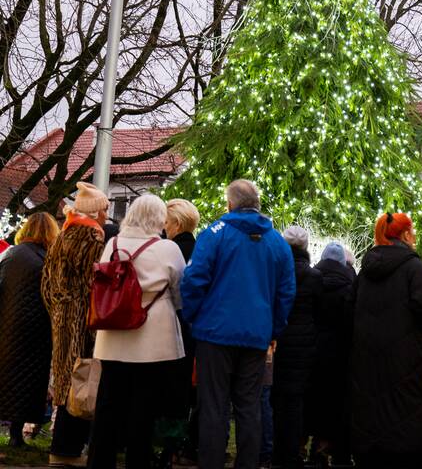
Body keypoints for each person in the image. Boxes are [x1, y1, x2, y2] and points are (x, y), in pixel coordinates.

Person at [181, 179, 296, 469]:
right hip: (256, 335)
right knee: (250, 407)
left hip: (215, 334)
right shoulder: (278, 243)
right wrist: (274, 330)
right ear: (257, 204)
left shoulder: (214, 234)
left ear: (230, 204)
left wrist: (194, 318)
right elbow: (286, 292)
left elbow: (193, 281)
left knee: (214, 407)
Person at [86, 195, 186, 469]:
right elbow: (181, 293)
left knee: (108, 404)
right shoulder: (168, 248)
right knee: (144, 407)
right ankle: (137, 461)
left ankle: (99, 461)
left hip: (114, 334)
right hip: (152, 338)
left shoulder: (113, 244)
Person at [348, 212, 422, 467]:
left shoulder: (365, 271)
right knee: (405, 414)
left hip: (366, 359)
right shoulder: (414, 268)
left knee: (371, 412)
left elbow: (350, 308)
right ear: (405, 234)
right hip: (405, 359)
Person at [42, 182, 109, 466]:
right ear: (96, 211)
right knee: (80, 379)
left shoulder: (64, 233)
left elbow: (46, 281)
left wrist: (57, 308)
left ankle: (61, 447)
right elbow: (92, 284)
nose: (107, 213)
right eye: (105, 208)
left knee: (65, 376)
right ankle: (67, 450)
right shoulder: (92, 237)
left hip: (61, 315)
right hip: (81, 318)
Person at [0, 213, 57, 446]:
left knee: (5, 377)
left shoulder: (10, 254)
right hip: (36, 330)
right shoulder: (48, 259)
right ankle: (16, 435)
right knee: (27, 383)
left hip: (6, 327)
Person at [271, 225, 322, 469]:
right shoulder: (314, 277)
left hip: (278, 341)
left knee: (275, 399)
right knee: (295, 401)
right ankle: (291, 453)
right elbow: (319, 313)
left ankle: (275, 451)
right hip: (303, 347)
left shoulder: (275, 273)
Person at [307, 241, 356, 465]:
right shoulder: (351, 286)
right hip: (342, 355)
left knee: (314, 402)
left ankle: (315, 450)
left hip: (314, 352)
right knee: (340, 405)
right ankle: (340, 453)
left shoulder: (312, 282)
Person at [161, 198, 200, 462]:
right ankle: (178, 444)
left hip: (171, 324)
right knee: (185, 389)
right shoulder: (199, 249)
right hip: (193, 328)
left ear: (175, 223)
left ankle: (166, 444)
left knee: (168, 387)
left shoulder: (169, 249)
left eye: (165, 221)